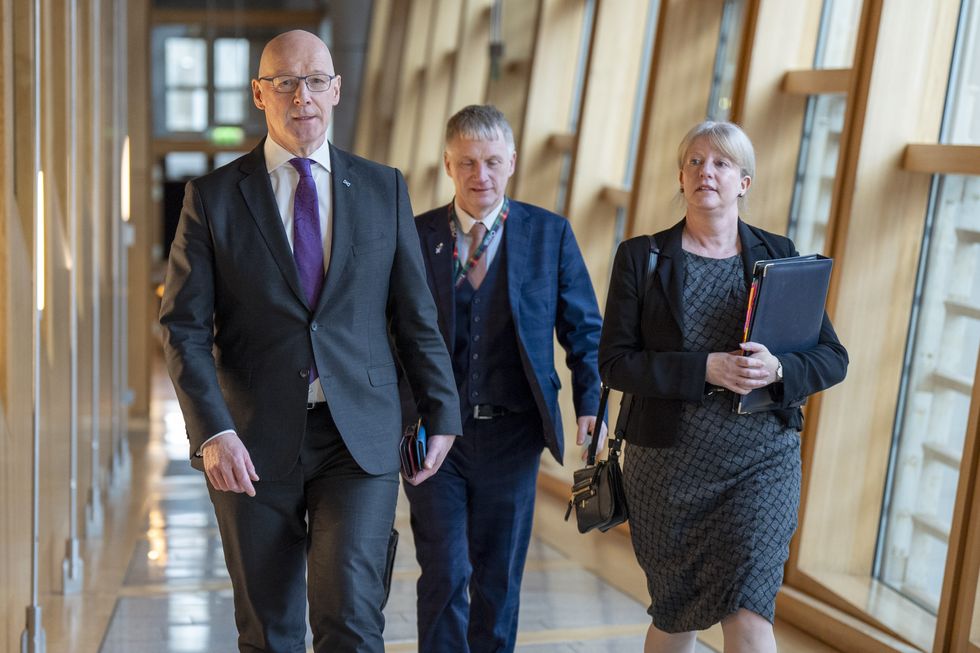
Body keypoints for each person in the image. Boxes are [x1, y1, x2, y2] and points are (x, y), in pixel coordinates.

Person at [158, 30, 462, 653]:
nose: (304, 97)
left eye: (316, 80)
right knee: (269, 631)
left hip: (359, 437)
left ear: (337, 89)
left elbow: (415, 314)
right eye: (286, 83)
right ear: (259, 94)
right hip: (250, 444)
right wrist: (213, 433)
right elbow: (183, 329)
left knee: (351, 619)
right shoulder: (213, 198)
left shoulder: (384, 188)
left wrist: (443, 410)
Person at [598, 120, 848, 653]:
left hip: (761, 463)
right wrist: (704, 368)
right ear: (680, 176)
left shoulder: (778, 255)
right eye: (694, 161)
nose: (705, 171)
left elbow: (831, 357)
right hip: (669, 468)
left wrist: (779, 369)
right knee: (675, 615)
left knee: (751, 613)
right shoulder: (642, 258)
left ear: (744, 183)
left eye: (721, 163)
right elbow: (616, 364)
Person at [401, 104, 605, 653]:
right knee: (444, 571)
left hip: (512, 438)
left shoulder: (549, 235)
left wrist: (591, 401)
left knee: (497, 581)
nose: (480, 176)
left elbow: (584, 328)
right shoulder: (415, 236)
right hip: (432, 435)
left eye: (492, 161)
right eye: (467, 162)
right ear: (447, 163)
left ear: (512, 162)